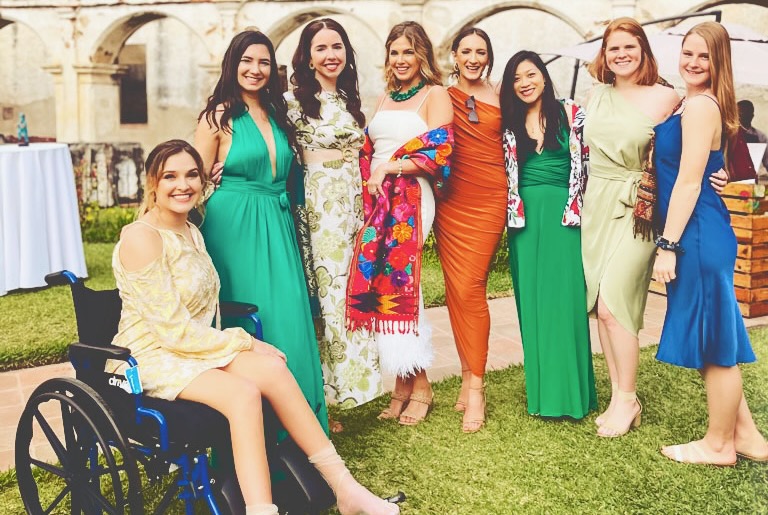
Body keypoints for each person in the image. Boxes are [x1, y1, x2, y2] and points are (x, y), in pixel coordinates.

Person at [110, 140, 400, 515]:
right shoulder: (141, 237)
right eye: (170, 176)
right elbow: (172, 331)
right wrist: (245, 342)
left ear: (203, 180)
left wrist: (246, 349)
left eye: (191, 175)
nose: (183, 185)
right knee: (243, 394)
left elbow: (202, 317)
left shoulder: (191, 231)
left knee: (273, 369)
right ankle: (262, 509)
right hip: (149, 356)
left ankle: (345, 489)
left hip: (188, 350)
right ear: (153, 182)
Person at [194, 30, 328, 440]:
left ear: (273, 69)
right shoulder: (216, 116)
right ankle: (255, 435)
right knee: (250, 321)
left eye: (264, 62)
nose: (255, 69)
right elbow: (190, 182)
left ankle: (301, 432)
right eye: (247, 61)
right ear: (233, 65)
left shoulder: (278, 113)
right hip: (232, 227)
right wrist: (209, 180)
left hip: (278, 221)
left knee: (288, 319)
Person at [652, 22, 768, 466]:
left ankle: (718, 445)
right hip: (703, 229)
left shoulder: (701, 106)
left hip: (695, 232)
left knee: (716, 345)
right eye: (687, 53)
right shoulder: (692, 103)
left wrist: (667, 245)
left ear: (718, 61)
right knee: (712, 336)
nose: (693, 63)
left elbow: (686, 181)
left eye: (704, 56)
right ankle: (749, 437)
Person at [581, 18, 687, 437]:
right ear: (604, 55)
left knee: (614, 303)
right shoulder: (594, 95)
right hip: (597, 204)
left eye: (629, 46)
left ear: (643, 50)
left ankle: (627, 397)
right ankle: (620, 397)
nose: (621, 54)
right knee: (600, 309)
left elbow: (693, 146)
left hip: (640, 209)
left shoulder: (667, 96)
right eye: (613, 49)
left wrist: (718, 173)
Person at [346, 21, 454, 426]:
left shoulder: (435, 95)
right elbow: (367, 148)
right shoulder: (385, 97)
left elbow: (441, 152)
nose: (401, 59)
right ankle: (403, 383)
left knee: (402, 283)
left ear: (422, 55)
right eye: (395, 52)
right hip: (376, 200)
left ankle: (420, 385)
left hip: (410, 199)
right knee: (381, 286)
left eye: (409, 52)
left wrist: (390, 167)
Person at [285, 18, 383, 433]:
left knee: (354, 292)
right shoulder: (290, 102)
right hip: (319, 205)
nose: (331, 56)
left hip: (354, 205)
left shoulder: (348, 99)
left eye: (337, 47)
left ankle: (355, 387)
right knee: (325, 296)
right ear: (307, 56)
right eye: (322, 48)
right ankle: (325, 396)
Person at [499, 50, 597, 420]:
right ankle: (542, 396)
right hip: (523, 221)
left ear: (543, 75)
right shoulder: (508, 123)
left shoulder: (571, 113)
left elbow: (597, 157)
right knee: (535, 304)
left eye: (530, 74)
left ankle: (572, 396)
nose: (525, 83)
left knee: (565, 303)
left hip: (564, 217)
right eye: (516, 78)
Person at [433, 27, 506, 433]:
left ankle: (477, 387)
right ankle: (466, 376)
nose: (473, 58)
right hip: (451, 198)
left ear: (488, 56)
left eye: (481, 51)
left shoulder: (504, 96)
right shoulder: (443, 95)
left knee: (471, 286)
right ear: (455, 57)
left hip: (489, 197)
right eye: (467, 51)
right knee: (454, 289)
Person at [738, 99, 768, 175]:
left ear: (752, 116)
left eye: (745, 114)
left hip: (751, 180)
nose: (741, 117)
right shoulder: (728, 136)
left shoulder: (761, 137)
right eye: (740, 114)